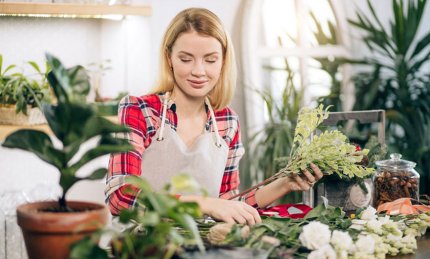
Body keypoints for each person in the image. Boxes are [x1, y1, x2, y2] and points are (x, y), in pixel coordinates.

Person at [105, 7, 322, 225]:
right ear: (169, 58)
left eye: (210, 60)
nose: (199, 71)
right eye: (186, 59)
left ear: (223, 61)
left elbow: (227, 203)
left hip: (201, 247)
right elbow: (121, 197)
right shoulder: (139, 110)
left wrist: (283, 184)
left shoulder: (226, 122)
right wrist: (204, 204)